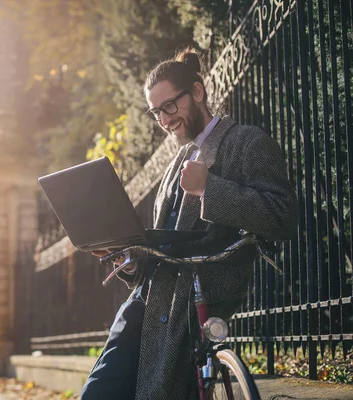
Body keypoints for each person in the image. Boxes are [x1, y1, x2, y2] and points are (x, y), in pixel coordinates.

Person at [81, 48, 298, 400]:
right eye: (156, 113)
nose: (164, 120)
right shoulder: (172, 166)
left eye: (170, 106)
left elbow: (282, 215)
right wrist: (129, 260)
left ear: (197, 92)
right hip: (145, 303)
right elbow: (161, 247)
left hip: (197, 301)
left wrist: (207, 188)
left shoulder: (246, 142)